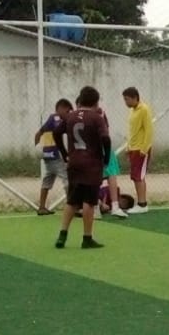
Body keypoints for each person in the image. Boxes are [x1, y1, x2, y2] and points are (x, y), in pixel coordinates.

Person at [53, 85, 110, 250]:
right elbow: (105, 139)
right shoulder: (97, 117)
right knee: (89, 202)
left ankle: (62, 234)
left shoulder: (70, 116)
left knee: (72, 200)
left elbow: (56, 133)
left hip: (74, 162)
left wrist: (64, 153)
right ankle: (87, 238)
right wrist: (106, 158)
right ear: (95, 102)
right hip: (91, 164)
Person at [33, 97, 72, 215]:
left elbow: (38, 134)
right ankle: (71, 206)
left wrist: (36, 147)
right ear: (61, 108)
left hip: (47, 156)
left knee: (47, 181)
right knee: (67, 180)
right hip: (57, 155)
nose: (68, 114)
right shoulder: (56, 119)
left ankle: (42, 207)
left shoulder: (50, 120)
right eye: (67, 111)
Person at [121, 85, 155, 212]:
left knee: (139, 176)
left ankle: (142, 204)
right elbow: (132, 131)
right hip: (133, 148)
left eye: (127, 99)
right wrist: (128, 147)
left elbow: (149, 130)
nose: (125, 102)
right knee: (135, 176)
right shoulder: (132, 111)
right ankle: (140, 203)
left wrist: (144, 149)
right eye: (124, 99)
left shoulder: (144, 109)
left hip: (141, 149)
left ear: (135, 98)